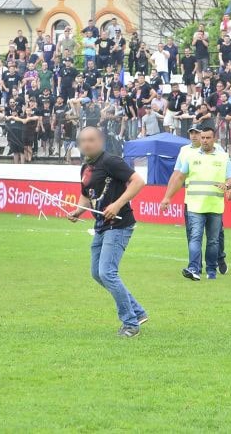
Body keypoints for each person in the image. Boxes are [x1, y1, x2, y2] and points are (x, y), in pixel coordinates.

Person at [66, 127, 148, 337]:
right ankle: (137, 312)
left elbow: (138, 181)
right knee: (97, 273)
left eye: (91, 140)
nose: (86, 144)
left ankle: (131, 324)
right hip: (101, 225)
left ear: (100, 141)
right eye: (83, 140)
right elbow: (87, 194)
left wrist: (118, 204)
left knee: (107, 272)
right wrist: (78, 210)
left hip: (119, 225)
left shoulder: (111, 161)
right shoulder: (86, 166)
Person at [160, 126, 231, 280]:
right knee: (195, 237)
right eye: (203, 138)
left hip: (214, 204)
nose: (205, 140)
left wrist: (228, 187)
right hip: (194, 204)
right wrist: (168, 197)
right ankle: (194, 268)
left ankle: (211, 271)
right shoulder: (190, 155)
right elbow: (179, 177)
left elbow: (230, 177)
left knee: (214, 240)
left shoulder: (223, 157)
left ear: (214, 139)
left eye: (208, 138)